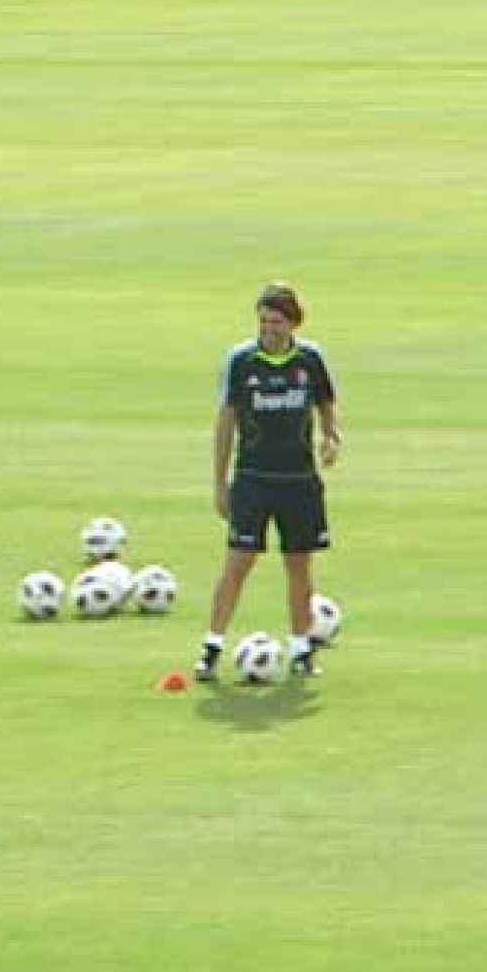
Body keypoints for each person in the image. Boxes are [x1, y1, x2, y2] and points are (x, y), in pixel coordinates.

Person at [194, 282, 342, 681]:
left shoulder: (310, 360)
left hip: (299, 481)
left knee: (299, 566)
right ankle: (211, 647)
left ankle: (301, 649)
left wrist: (331, 437)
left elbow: (327, 403)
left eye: (276, 321)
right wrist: (219, 482)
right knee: (238, 563)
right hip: (253, 480)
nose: (269, 329)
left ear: (293, 322)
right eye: (263, 321)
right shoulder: (242, 362)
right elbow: (226, 422)